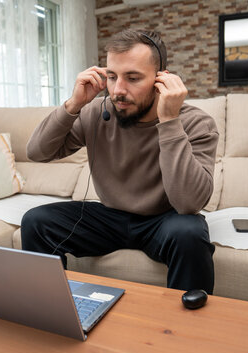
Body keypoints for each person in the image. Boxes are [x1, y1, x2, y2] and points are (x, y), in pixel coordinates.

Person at [21, 29, 219, 293]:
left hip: (164, 220)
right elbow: (37, 152)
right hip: (109, 217)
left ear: (162, 79)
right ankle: (51, 311)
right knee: (36, 221)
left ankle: (185, 331)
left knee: (190, 233)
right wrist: (73, 105)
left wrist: (170, 121)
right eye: (112, 77)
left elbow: (189, 203)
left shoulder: (196, 122)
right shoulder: (97, 112)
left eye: (133, 78)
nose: (118, 90)